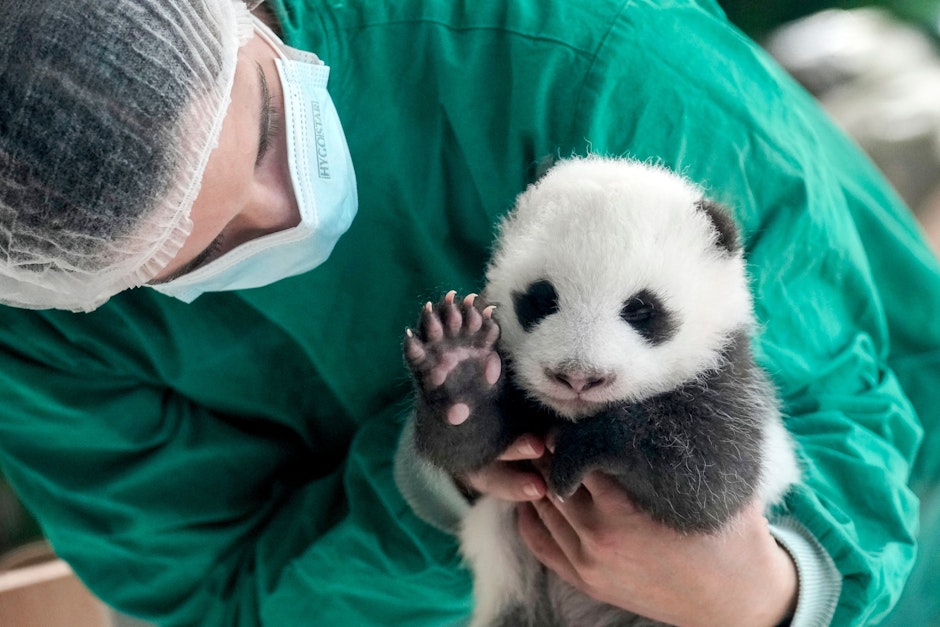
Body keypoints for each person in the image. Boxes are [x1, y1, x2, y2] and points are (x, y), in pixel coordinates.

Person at [0, 0, 937, 625]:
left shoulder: (575, 53)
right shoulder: (41, 337)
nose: (283, 214)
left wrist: (771, 588)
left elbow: (843, 397)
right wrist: (438, 481)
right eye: (197, 256)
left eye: (268, 133)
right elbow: (218, 605)